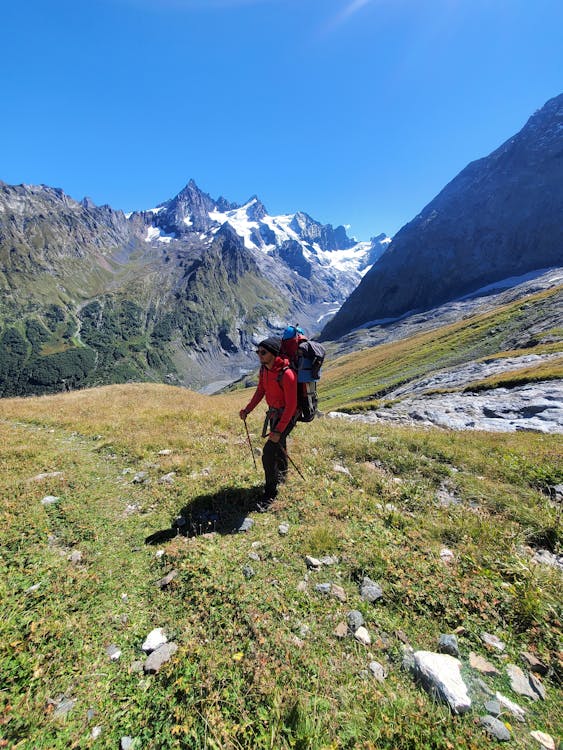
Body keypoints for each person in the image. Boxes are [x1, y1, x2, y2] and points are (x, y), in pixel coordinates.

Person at [239, 336, 298, 509]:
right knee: (279, 445)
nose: (259, 355)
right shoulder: (264, 370)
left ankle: (270, 494)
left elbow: (292, 406)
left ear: (273, 353)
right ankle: (283, 475)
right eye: (258, 352)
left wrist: (279, 429)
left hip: (287, 416)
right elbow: (260, 391)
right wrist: (247, 410)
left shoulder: (287, 374)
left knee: (268, 452)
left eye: (263, 352)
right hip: (274, 414)